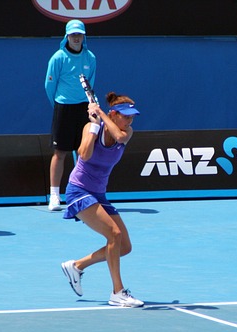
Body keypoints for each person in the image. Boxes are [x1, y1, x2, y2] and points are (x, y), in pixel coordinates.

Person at [60, 92, 144, 308]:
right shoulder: (91, 128)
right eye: (126, 117)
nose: (129, 121)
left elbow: (120, 137)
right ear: (114, 114)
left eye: (131, 117)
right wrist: (94, 126)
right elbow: (84, 154)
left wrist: (100, 115)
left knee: (124, 246)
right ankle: (118, 292)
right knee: (114, 234)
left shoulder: (127, 132)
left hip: (98, 194)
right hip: (79, 191)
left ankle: (77, 266)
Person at [45, 19, 97, 211]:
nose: (76, 38)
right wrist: (59, 105)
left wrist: (92, 105)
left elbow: (90, 85)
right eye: (73, 35)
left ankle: (82, 192)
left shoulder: (90, 57)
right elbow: (49, 86)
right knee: (60, 153)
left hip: (83, 108)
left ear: (84, 37)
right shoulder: (58, 58)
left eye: (79, 35)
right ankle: (55, 196)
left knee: (85, 153)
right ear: (67, 37)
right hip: (63, 108)